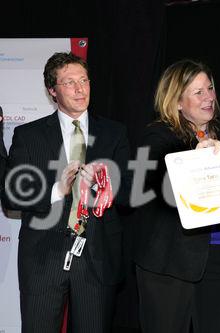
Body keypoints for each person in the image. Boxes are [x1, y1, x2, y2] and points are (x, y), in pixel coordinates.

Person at [2, 52, 131, 332]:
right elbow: (11, 195)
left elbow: (130, 192)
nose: (80, 88)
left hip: (97, 256)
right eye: (69, 82)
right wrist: (56, 190)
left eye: (84, 80)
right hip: (42, 258)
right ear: (52, 90)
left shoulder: (114, 133)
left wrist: (102, 184)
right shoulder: (29, 135)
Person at [133, 59, 220, 333]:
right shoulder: (156, 137)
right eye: (199, 92)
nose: (209, 97)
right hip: (169, 264)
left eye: (210, 89)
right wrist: (192, 162)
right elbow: (139, 189)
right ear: (177, 102)